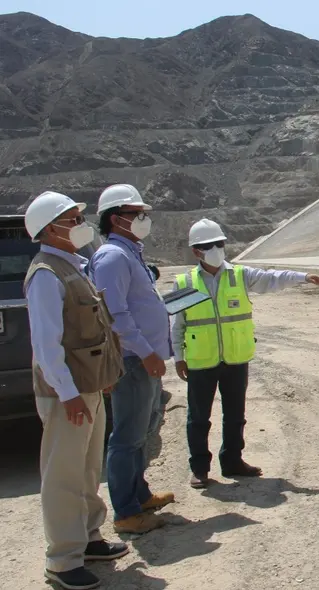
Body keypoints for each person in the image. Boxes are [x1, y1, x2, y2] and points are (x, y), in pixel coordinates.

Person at [23, 191, 129, 590]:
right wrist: (67, 393)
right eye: (73, 218)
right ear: (51, 229)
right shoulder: (46, 274)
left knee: (86, 469)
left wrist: (101, 376)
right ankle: (63, 560)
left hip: (86, 387)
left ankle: (89, 538)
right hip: (66, 392)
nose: (82, 223)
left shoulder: (74, 266)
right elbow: (47, 345)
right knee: (63, 475)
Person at [171, 219, 319, 488]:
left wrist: (302, 277)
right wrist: (178, 357)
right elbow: (177, 324)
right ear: (197, 251)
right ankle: (200, 469)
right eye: (210, 246)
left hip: (235, 359)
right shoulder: (185, 282)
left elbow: (271, 278)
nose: (217, 249)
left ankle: (232, 461)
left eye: (220, 244)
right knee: (198, 418)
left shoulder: (239, 275)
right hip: (200, 361)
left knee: (235, 415)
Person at [88, 184, 174, 535]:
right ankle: (125, 512)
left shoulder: (129, 253)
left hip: (144, 360)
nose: (143, 219)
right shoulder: (112, 257)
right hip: (135, 361)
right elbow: (116, 315)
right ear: (115, 218)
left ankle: (139, 496)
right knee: (126, 438)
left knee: (142, 433)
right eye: (136, 214)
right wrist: (147, 352)